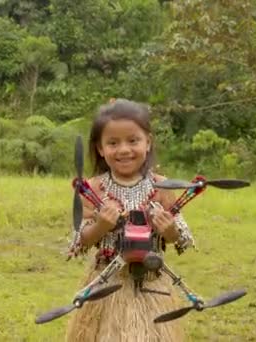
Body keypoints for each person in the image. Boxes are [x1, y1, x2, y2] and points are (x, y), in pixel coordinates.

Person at [65, 99, 195, 341]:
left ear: (148, 142)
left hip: (152, 287)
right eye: (113, 143)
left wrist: (170, 231)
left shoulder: (162, 186)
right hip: (104, 288)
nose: (124, 150)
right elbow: (76, 243)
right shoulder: (92, 188)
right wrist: (101, 226)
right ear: (100, 148)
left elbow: (184, 239)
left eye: (133, 140)